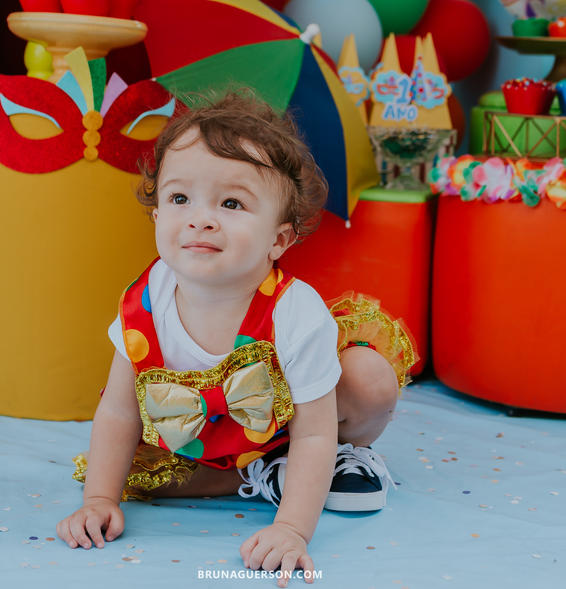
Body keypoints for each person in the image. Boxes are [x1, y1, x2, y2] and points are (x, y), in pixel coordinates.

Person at [57, 93, 417, 586]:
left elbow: (313, 431)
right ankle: (261, 477)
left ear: (278, 240)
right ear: (157, 216)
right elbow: (120, 411)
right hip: (196, 441)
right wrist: (99, 499)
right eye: (179, 199)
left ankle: (328, 464)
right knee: (147, 483)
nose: (200, 218)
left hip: (292, 428)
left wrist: (291, 529)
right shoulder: (143, 302)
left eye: (231, 203)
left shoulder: (295, 313)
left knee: (369, 380)